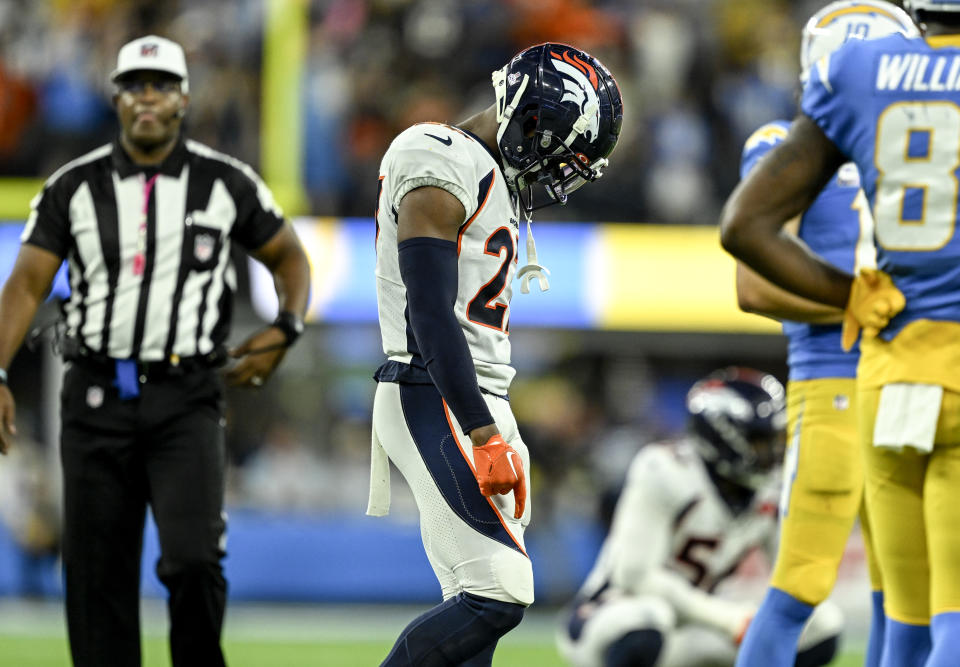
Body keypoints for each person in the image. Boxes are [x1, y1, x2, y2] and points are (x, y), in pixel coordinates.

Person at [0, 36, 311, 667]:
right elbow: (27, 282)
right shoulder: (72, 188)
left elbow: (290, 257)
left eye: (161, 84)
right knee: (95, 578)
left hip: (186, 396)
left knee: (195, 559)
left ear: (184, 97)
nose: (147, 97)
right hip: (93, 397)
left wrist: (287, 327)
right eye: (135, 85)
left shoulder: (226, 183)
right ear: (115, 96)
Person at [366, 42, 622, 666]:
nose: (553, 173)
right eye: (557, 154)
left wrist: (489, 420)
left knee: (475, 604)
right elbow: (429, 312)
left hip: (474, 395)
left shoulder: (491, 175)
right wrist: (482, 433)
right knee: (499, 594)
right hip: (433, 389)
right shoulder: (434, 152)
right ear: (533, 118)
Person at [720, 1, 960, 663]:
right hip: (860, 378)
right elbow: (751, 285)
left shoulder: (820, 121)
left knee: (894, 598)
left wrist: (871, 303)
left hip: (882, 380)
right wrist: (868, 302)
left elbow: (749, 249)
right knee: (838, 590)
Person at [556, 368, 844, 667]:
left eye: (776, 440)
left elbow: (788, 578)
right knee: (648, 618)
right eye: (761, 442)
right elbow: (635, 576)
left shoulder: (770, 487)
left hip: (696, 631)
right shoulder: (664, 470)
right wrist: (727, 619)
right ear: (724, 437)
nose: (773, 453)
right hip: (608, 619)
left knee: (821, 623)